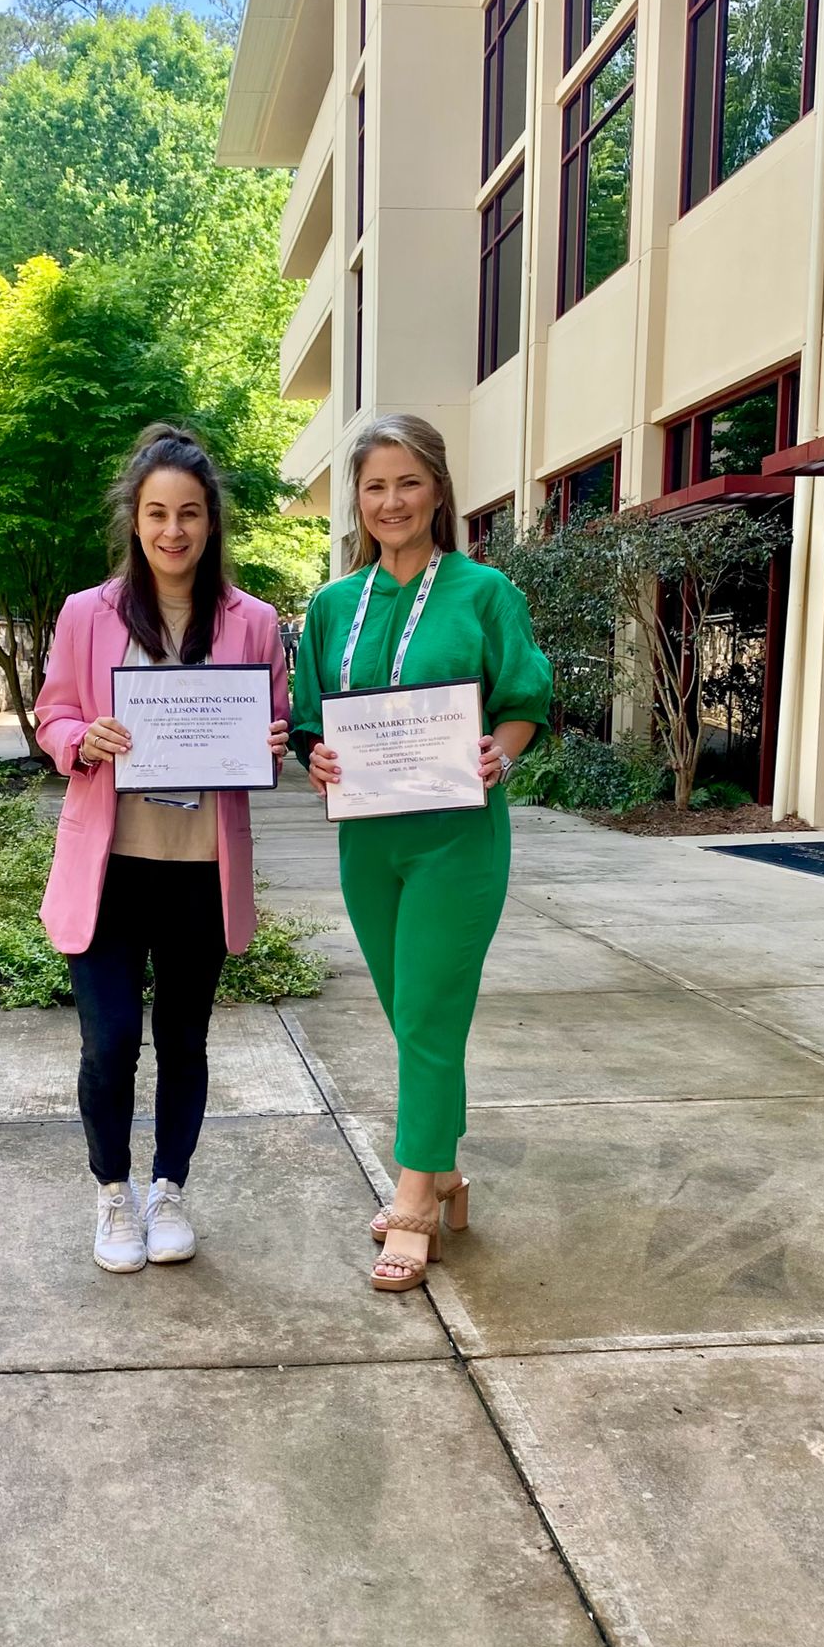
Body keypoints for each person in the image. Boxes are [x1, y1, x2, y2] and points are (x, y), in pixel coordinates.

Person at [291, 413, 551, 1292]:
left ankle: (414, 1197)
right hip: (368, 839)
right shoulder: (331, 606)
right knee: (409, 1013)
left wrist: (502, 751)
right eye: (374, 486)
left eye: (407, 482)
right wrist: (314, 754)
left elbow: (523, 697)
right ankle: (443, 1169)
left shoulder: (485, 592)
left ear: (438, 489)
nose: (391, 501)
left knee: (433, 1013)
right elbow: (309, 720)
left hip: (456, 836)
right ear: (356, 503)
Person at [35, 425, 290, 1273]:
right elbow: (52, 714)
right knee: (109, 1040)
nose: (173, 530)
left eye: (189, 513)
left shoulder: (253, 623)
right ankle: (112, 1194)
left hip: (200, 869)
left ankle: (169, 1185)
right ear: (134, 521)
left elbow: (273, 721)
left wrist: (270, 743)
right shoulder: (87, 614)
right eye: (156, 514)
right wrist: (83, 738)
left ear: (211, 522)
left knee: (185, 1039)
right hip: (110, 867)